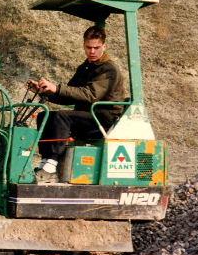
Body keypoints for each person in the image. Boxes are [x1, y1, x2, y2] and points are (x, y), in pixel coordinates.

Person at [28, 26, 126, 183]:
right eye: (89, 47)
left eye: (96, 47)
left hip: (102, 118)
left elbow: (90, 94)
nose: (92, 51)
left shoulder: (109, 69)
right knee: (44, 115)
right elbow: (68, 96)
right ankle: (45, 161)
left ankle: (52, 164)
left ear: (104, 46)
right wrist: (44, 91)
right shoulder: (85, 67)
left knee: (61, 117)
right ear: (84, 45)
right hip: (87, 115)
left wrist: (57, 88)